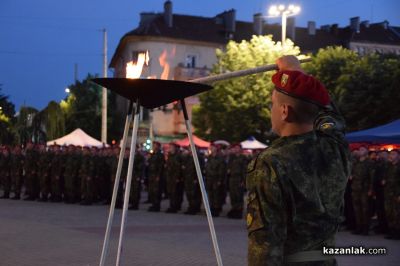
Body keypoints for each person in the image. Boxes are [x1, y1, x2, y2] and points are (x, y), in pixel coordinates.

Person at [246, 55, 351, 265]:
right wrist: (296, 75)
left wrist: (296, 74)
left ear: (284, 111)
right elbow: (331, 117)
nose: (271, 110)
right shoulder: (335, 148)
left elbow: (266, 243)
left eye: (272, 104)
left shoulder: (271, 162)